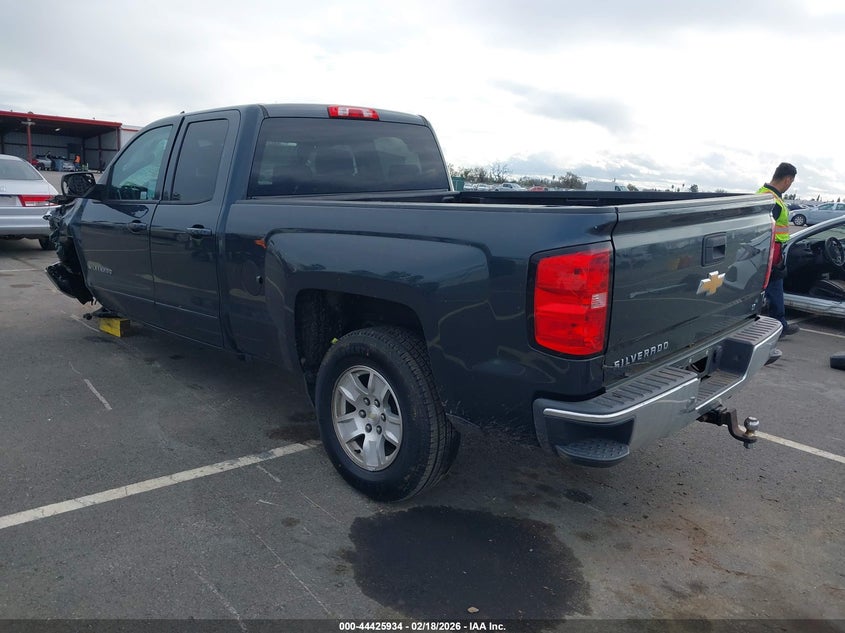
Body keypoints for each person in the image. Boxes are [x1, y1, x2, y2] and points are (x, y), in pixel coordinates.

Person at [758, 162, 799, 338]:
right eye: (791, 182)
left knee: (770, 288)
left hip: (767, 251)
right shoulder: (772, 199)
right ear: (787, 179)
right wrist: (773, 257)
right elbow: (768, 230)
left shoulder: (764, 193)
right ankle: (779, 326)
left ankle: (779, 325)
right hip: (770, 251)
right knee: (773, 287)